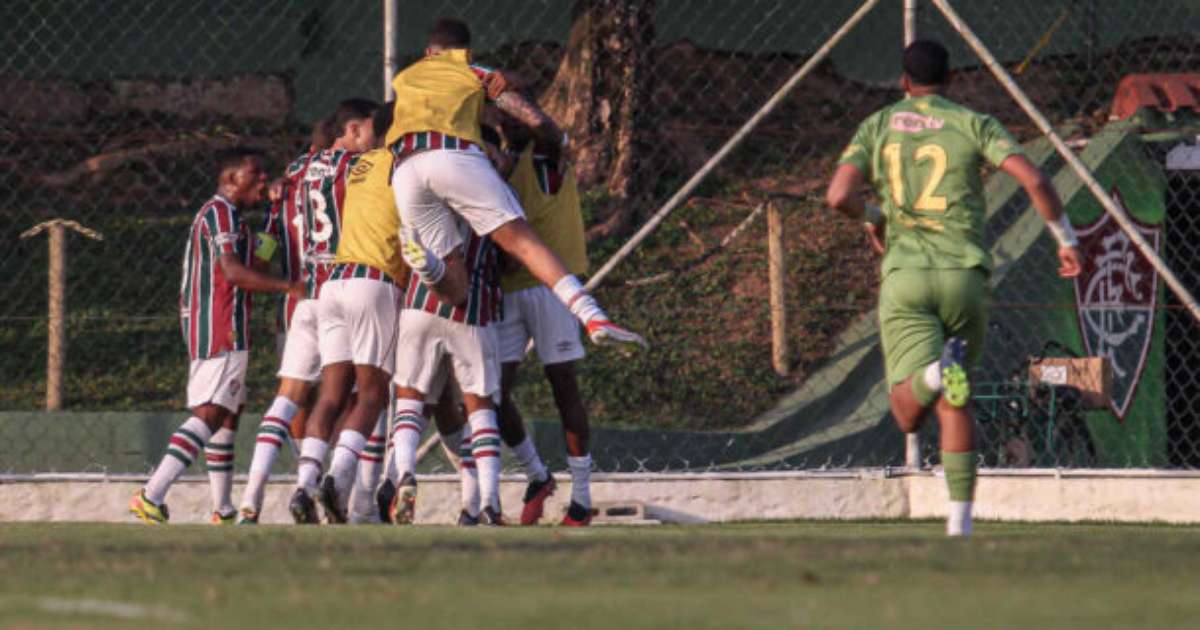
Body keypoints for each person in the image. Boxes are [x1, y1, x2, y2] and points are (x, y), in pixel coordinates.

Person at [825, 40, 1082, 536]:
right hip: (965, 277)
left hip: (907, 276)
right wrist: (1065, 241)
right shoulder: (972, 122)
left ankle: (934, 376)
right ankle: (959, 527)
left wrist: (874, 216)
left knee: (906, 412)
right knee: (955, 403)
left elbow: (838, 196)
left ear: (902, 82)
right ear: (953, 80)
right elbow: (1033, 178)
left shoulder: (878, 126)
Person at [386, 17, 647, 354]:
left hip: (405, 167)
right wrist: (557, 135)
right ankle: (593, 316)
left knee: (454, 286)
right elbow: (525, 110)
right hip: (452, 155)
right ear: (465, 51)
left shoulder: (405, 77)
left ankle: (427, 264)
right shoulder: (468, 69)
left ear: (427, 51)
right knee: (521, 241)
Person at [130, 147, 303, 524]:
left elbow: (253, 262)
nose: (262, 179)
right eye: (253, 174)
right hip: (220, 324)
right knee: (209, 413)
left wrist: (274, 218)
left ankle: (223, 509)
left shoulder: (233, 217)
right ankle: (151, 494)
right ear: (230, 180)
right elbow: (235, 272)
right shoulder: (220, 212)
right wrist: (289, 287)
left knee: (228, 413)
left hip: (221, 323)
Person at [237, 99, 380, 523]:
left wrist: (265, 259)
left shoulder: (295, 175)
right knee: (359, 396)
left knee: (288, 400)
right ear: (348, 132)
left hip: (299, 299)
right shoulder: (359, 169)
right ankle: (361, 505)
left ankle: (251, 500)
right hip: (346, 287)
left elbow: (266, 244)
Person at [288, 103, 405, 524]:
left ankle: (303, 485)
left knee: (332, 395)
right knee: (372, 393)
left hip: (331, 283)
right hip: (372, 282)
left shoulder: (356, 166)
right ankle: (338, 478)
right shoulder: (402, 164)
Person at [488, 113, 595, 526]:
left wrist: (524, 108)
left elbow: (551, 134)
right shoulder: (497, 165)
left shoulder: (544, 154)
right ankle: (537, 474)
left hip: (551, 286)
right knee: (491, 393)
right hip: (508, 287)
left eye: (515, 110)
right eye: (502, 111)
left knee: (562, 383)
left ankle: (582, 499)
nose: (507, 118)